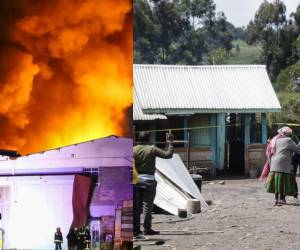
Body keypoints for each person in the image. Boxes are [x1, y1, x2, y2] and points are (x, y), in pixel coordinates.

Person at [133, 131, 174, 237]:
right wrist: (170, 142)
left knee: (136, 208)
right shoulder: (152, 149)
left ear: (138, 139)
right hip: (149, 181)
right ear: (148, 139)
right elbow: (168, 155)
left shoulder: (132, 150)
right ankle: (147, 229)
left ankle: (135, 231)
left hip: (136, 181)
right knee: (147, 206)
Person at [265, 126, 297, 205]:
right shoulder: (288, 140)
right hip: (283, 163)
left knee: (276, 181)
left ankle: (276, 199)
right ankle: (282, 199)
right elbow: (295, 149)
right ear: (288, 134)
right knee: (283, 181)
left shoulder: (275, 140)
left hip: (274, 163)